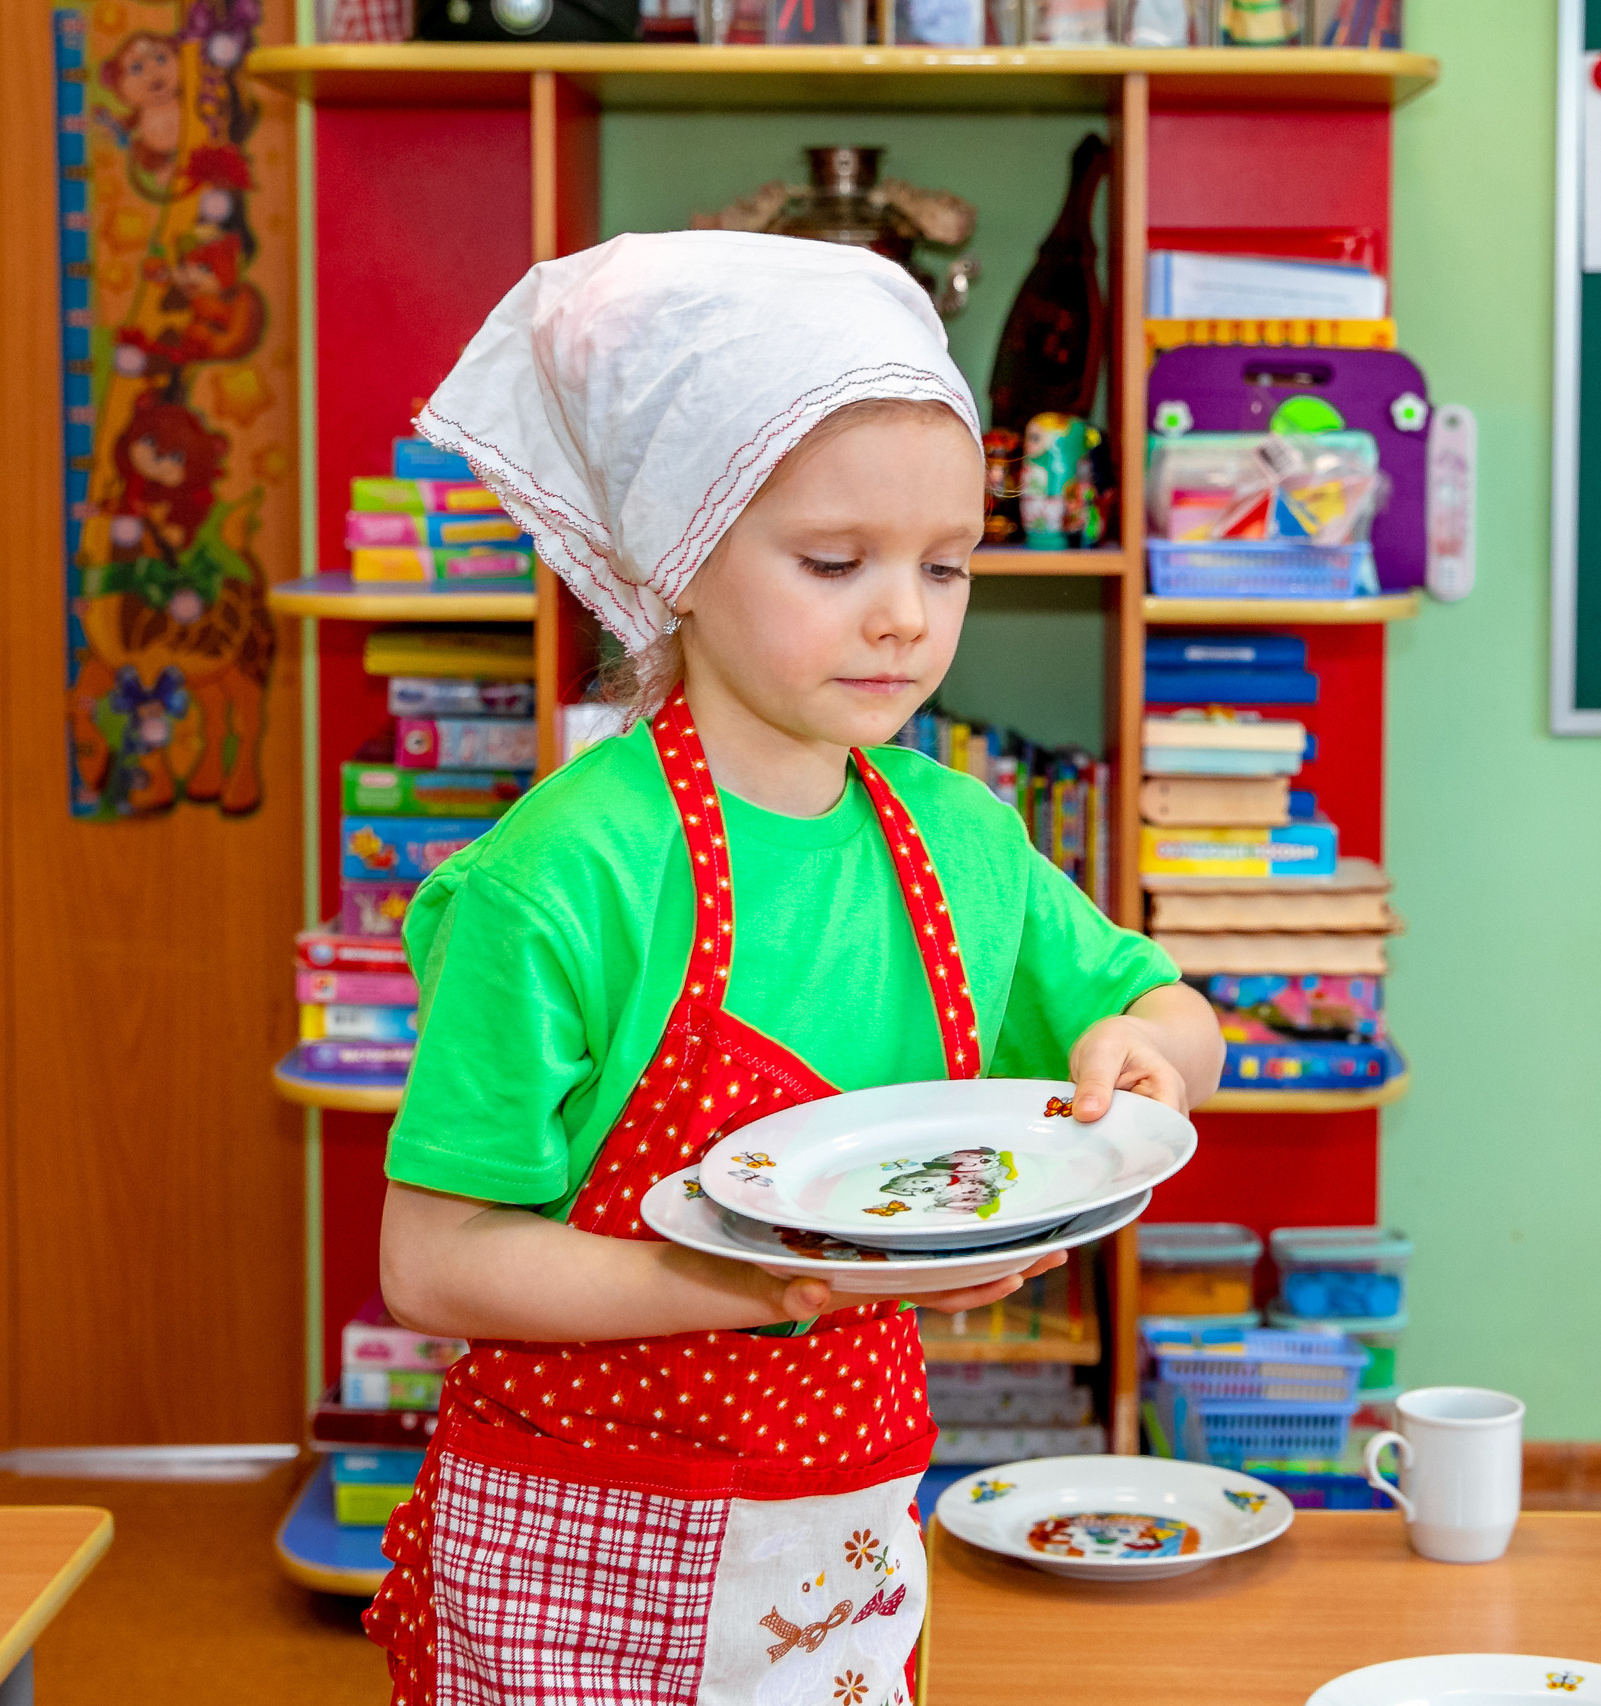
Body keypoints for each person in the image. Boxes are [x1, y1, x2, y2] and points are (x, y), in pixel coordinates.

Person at [361, 230, 1224, 1706]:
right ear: (680, 559)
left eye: (947, 564)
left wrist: (1146, 1056)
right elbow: (433, 1262)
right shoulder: (561, 877)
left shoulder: (963, 842)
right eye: (836, 562)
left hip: (838, 1535)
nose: (905, 611)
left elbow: (1164, 1013)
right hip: (575, 1544)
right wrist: (769, 1280)